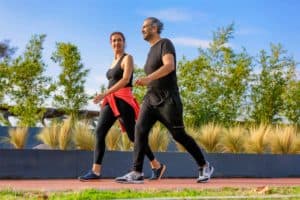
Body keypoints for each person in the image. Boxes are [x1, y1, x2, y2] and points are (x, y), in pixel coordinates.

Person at [115, 18, 214, 184]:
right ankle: (137, 172)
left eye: (145, 27)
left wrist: (148, 78)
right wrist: (146, 82)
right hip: (150, 99)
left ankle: (204, 165)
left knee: (178, 135)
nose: (142, 30)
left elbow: (169, 66)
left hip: (168, 99)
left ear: (154, 28)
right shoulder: (150, 51)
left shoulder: (165, 44)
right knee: (139, 130)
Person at [79, 31, 165, 181]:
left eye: (119, 40)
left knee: (133, 136)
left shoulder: (128, 58)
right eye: (113, 41)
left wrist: (104, 93)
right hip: (111, 101)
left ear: (124, 42)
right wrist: (106, 97)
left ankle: (156, 165)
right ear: (110, 43)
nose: (116, 43)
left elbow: (125, 80)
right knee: (99, 131)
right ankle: (96, 171)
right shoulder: (113, 61)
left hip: (123, 100)